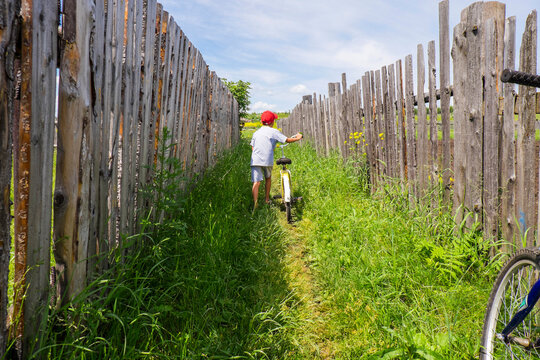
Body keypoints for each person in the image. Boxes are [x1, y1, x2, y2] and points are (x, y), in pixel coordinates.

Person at [250, 110, 302, 209]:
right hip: (267, 159)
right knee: (268, 178)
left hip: (255, 159)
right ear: (272, 122)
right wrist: (298, 138)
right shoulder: (274, 131)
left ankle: (255, 204)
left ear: (261, 122)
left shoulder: (256, 133)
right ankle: (266, 200)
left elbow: (253, 147)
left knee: (256, 182)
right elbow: (287, 140)